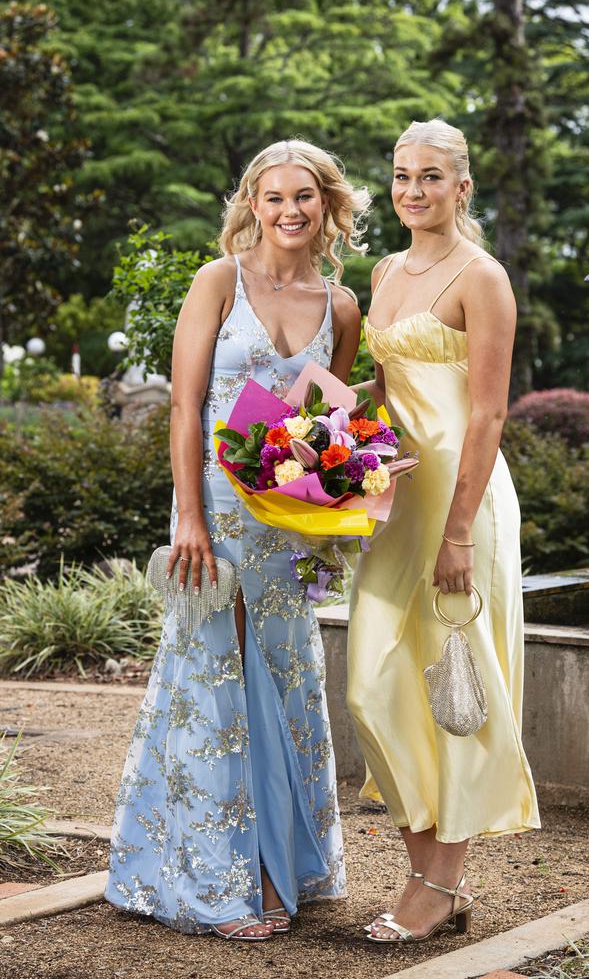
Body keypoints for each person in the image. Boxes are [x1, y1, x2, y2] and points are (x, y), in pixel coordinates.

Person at [105, 139, 369, 940]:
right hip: (216, 512)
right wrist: (187, 515)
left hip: (291, 526)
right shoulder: (218, 282)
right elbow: (186, 408)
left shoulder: (342, 304)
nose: (290, 211)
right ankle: (225, 880)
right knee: (216, 680)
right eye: (274, 196)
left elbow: (333, 419)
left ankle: (284, 863)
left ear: (327, 205)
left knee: (286, 680)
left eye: (306, 197)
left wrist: (338, 505)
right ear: (251, 204)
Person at [347, 118, 540, 945]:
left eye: (429, 177)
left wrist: (459, 530)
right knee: (371, 684)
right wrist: (302, 436)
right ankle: (429, 870)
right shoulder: (387, 269)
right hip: (399, 504)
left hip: (465, 509)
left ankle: (435, 884)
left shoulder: (483, 276)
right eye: (400, 177)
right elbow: (386, 396)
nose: (411, 192)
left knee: (453, 690)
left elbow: (488, 410)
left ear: (462, 188)